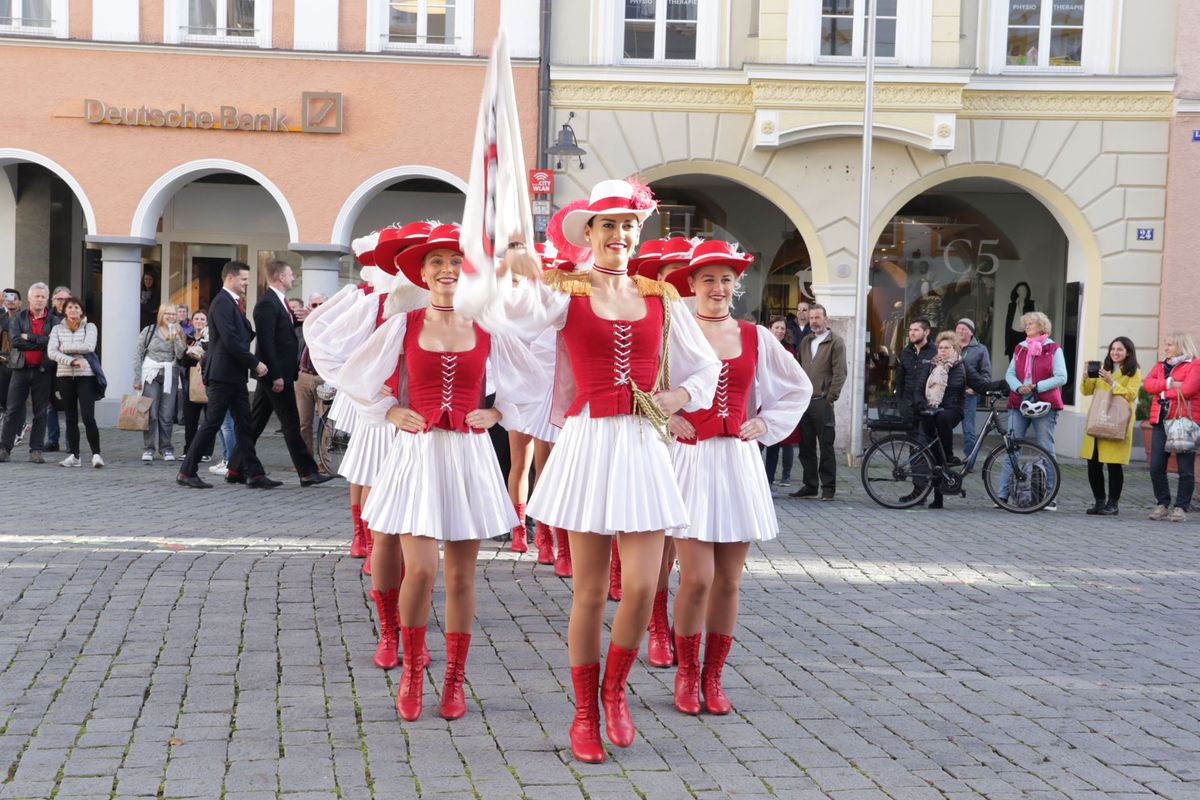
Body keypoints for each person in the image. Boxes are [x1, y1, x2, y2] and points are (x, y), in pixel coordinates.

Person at [456, 178, 721, 764]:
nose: (619, 234)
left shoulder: (661, 296)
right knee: (591, 591)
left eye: (628, 225)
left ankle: (614, 691)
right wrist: (513, 269)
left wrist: (677, 397)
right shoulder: (563, 291)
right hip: (588, 444)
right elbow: (504, 315)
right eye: (608, 225)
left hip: (643, 445)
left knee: (644, 585)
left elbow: (705, 367)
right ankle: (583, 713)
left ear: (638, 232)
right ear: (590, 233)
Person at [340, 223, 535, 721]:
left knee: (462, 576)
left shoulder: (489, 327)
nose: (447, 270)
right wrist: (389, 410)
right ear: (423, 274)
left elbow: (531, 381)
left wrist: (497, 412)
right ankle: (411, 670)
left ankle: (453, 680)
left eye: (456, 262)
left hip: (468, 456)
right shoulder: (403, 325)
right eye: (437, 263)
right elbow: (355, 377)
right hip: (418, 455)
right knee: (423, 569)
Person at [663, 241, 811, 715]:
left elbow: (798, 387)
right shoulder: (673, 332)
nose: (717, 287)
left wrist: (766, 422)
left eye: (726, 279)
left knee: (728, 581)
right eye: (708, 279)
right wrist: (666, 417)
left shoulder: (756, 336)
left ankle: (713, 677)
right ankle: (687, 673)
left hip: (737, 464)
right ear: (691, 284)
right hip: (691, 461)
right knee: (697, 578)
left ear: (736, 285)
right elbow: (645, 384)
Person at [226, 260, 331, 488]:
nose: (293, 278)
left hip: (278, 373)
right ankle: (307, 472)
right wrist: (275, 375)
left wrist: (300, 319)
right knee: (291, 422)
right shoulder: (267, 303)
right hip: (275, 375)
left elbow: (283, 332)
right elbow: (266, 343)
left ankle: (234, 468)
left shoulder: (279, 302)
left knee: (256, 422)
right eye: (291, 274)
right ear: (281, 277)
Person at [175, 261, 276, 489]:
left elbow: (243, 333)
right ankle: (186, 471)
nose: (247, 283)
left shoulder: (234, 303)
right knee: (212, 423)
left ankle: (249, 472)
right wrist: (255, 363)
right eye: (244, 279)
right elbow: (230, 340)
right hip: (222, 375)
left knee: (245, 424)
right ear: (230, 278)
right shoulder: (222, 302)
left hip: (234, 375)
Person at [998, 311, 1067, 510]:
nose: (1026, 326)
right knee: (1011, 448)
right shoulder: (1020, 348)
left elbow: (1062, 377)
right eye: (1025, 323)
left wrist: (1037, 386)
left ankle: (1051, 498)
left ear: (1042, 326)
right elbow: (1010, 374)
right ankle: (1002, 495)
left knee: (1046, 449)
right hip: (1019, 402)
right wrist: (1019, 387)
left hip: (1045, 403)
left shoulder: (1053, 348)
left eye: (1031, 323)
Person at [1079, 337, 1141, 516]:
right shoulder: (1103, 368)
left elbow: (1131, 394)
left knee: (1114, 465)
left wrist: (1112, 382)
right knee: (1093, 464)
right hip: (1098, 419)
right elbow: (1087, 391)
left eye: (1120, 349)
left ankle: (1113, 504)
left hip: (1116, 421)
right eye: (1113, 349)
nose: (1115, 352)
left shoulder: (1133, 372)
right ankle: (1099, 501)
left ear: (1128, 352)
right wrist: (1086, 376)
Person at [0, 283, 61, 463]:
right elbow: (16, 342)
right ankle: (4, 449)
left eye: (43, 297)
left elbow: (54, 343)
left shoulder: (54, 321)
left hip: (43, 371)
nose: (40, 300)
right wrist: (42, 342)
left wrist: (31, 337)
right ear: (29, 298)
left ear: (47, 299)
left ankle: (36, 450)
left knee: (40, 412)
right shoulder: (18, 318)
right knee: (12, 410)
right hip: (20, 369)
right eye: (37, 296)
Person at [790, 304, 846, 501]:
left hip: (823, 401)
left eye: (817, 317)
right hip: (805, 402)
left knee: (826, 446)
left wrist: (830, 398)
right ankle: (810, 485)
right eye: (811, 318)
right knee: (806, 447)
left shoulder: (835, 342)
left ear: (825, 319)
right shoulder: (806, 341)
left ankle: (828, 488)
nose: (813, 321)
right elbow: (798, 370)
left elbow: (840, 372)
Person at [1143, 332, 1199, 522]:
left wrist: (1163, 393)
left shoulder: (1195, 365)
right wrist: (1169, 383)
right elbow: (1147, 385)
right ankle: (1162, 504)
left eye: (1170, 345)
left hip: (1183, 422)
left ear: (1181, 346)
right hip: (1160, 421)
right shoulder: (1161, 365)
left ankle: (1181, 507)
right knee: (1156, 466)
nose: (1166, 348)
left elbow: (1189, 389)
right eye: (1165, 344)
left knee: (1185, 469)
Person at [911, 332, 967, 509]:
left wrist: (1001, 386)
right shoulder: (931, 366)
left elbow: (980, 383)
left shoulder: (961, 366)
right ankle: (937, 498)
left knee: (942, 420)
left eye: (947, 347)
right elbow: (919, 387)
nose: (943, 350)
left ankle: (949, 455)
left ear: (955, 348)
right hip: (931, 410)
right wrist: (920, 403)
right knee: (935, 456)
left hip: (951, 410)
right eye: (940, 347)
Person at [47, 296, 103, 468]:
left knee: (88, 417)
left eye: (76, 307)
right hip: (64, 376)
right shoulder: (57, 328)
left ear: (81, 311)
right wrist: (72, 361)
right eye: (70, 307)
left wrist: (63, 348)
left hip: (86, 376)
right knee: (70, 417)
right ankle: (75, 456)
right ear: (64, 310)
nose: (73, 310)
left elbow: (88, 347)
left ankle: (96, 454)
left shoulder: (89, 327)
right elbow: (51, 352)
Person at [134, 304, 187, 462]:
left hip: (170, 374)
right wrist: (137, 378)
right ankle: (149, 448)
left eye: (173, 314)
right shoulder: (149, 330)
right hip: (151, 374)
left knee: (167, 414)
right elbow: (138, 353)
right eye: (167, 313)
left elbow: (180, 355)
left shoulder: (178, 331)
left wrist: (175, 336)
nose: (170, 316)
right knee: (151, 413)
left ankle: (166, 448)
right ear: (161, 315)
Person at [762, 316, 799, 491]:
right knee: (756, 445)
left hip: (778, 402)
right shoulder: (761, 346)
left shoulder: (788, 350)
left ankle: (769, 482)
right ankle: (756, 482)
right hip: (761, 400)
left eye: (782, 328)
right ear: (770, 328)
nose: (779, 331)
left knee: (773, 445)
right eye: (776, 327)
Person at [295, 293, 327, 455]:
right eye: (314, 305)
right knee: (303, 423)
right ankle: (306, 461)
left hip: (324, 377)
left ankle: (324, 462)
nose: (318, 308)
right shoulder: (301, 325)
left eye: (321, 304)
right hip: (303, 376)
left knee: (327, 423)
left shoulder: (331, 323)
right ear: (309, 306)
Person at [956, 318, 991, 460]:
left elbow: (986, 374)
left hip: (968, 395)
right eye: (958, 328)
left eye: (964, 329)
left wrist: (975, 389)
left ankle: (970, 460)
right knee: (942, 426)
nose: (960, 331)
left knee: (968, 428)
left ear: (971, 332)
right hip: (949, 394)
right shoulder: (950, 346)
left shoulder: (980, 349)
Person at [178, 310, 209, 459]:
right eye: (196, 318)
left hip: (208, 382)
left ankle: (206, 452)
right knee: (190, 419)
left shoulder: (210, 337)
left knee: (209, 419)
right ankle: (188, 450)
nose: (199, 321)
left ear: (207, 322)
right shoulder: (188, 338)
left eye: (202, 319)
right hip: (191, 383)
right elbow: (183, 362)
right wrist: (189, 352)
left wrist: (199, 356)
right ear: (192, 321)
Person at [44, 286, 72, 452]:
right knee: (50, 405)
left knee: (69, 404)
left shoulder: (76, 316)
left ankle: (70, 441)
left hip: (69, 366)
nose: (62, 302)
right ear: (53, 301)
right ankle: (53, 440)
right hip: (49, 366)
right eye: (59, 299)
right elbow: (43, 339)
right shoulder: (46, 317)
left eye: (65, 299)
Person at [0, 288, 20, 431]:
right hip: (2, 361)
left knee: (15, 399)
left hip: (17, 363)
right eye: (6, 297)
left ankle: (17, 428)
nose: (10, 301)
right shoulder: (2, 316)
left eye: (14, 298)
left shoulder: (23, 317)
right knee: (3, 398)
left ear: (20, 302)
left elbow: (10, 326)